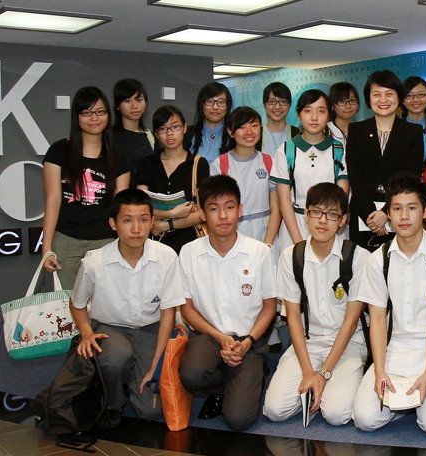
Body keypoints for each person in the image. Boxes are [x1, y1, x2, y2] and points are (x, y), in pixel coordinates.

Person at [351, 175, 426, 435]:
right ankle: (404, 405)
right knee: (364, 419)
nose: (404, 216)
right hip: (397, 349)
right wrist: (380, 371)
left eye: (412, 208)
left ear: (425, 212)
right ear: (388, 213)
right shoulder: (378, 259)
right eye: (397, 208)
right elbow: (377, 319)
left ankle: (420, 401)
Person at [68, 188, 184, 426]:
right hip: (110, 329)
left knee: (151, 412)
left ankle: (132, 376)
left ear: (152, 222)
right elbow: (77, 304)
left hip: (150, 330)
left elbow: (168, 313)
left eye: (143, 220)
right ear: (113, 224)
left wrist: (155, 365)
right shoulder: (94, 262)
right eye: (127, 221)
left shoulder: (167, 256)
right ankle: (112, 401)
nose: (136, 229)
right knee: (116, 356)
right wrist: (86, 332)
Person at [263, 183, 369, 425]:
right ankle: (316, 385)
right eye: (316, 212)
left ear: (343, 220)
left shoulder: (359, 257)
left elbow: (352, 322)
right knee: (274, 410)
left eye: (332, 214)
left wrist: (323, 373)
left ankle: (336, 383)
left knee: (336, 415)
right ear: (306, 215)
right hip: (308, 343)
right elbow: (292, 319)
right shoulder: (291, 256)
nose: (323, 220)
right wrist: (309, 370)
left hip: (348, 344)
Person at [177, 175, 277, 431]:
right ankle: (222, 386)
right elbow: (186, 308)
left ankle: (252, 377)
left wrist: (247, 342)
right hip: (209, 337)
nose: (223, 215)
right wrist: (220, 338)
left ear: (240, 210)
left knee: (238, 420)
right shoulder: (189, 252)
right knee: (191, 374)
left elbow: (269, 308)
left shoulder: (260, 252)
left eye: (229, 207)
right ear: (202, 214)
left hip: (249, 340)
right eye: (213, 208)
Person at [42, 86, 131, 289]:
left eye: (100, 112)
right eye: (87, 112)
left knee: (106, 304)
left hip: (106, 240)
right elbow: (52, 200)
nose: (94, 118)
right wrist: (47, 247)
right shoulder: (58, 151)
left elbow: (122, 206)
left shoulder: (120, 156)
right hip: (66, 240)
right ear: (77, 116)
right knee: (64, 306)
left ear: (108, 115)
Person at [346, 70, 426, 251]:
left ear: (399, 98)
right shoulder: (357, 130)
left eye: (389, 94)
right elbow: (355, 178)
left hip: (400, 213)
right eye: (377, 94)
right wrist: (372, 217)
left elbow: (411, 178)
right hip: (363, 214)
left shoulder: (412, 132)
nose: (383, 100)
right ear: (369, 99)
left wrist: (386, 213)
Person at [271, 89, 349, 252]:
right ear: (299, 115)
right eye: (308, 111)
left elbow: (343, 189)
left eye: (321, 111)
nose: (314, 117)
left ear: (328, 115)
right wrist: (299, 242)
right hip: (296, 224)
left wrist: (334, 220)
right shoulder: (286, 150)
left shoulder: (338, 148)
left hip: (330, 222)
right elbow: (284, 200)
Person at [132, 105, 209, 254]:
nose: (169, 134)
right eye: (162, 129)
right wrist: (171, 214)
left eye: (175, 127)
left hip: (189, 244)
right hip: (152, 244)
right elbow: (139, 206)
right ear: (156, 134)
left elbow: (202, 213)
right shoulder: (147, 164)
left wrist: (167, 224)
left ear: (184, 128)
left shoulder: (198, 164)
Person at [210, 106, 280, 248]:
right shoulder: (220, 164)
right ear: (230, 131)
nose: (249, 132)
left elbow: (276, 207)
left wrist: (268, 243)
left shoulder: (269, 162)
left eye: (254, 126)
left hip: (266, 233)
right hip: (232, 235)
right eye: (242, 127)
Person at [112, 78, 155, 168]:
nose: (134, 106)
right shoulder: (110, 137)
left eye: (139, 100)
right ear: (117, 106)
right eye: (127, 101)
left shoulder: (150, 135)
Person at [186, 82, 231, 162]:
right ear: (201, 104)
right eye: (210, 101)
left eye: (221, 102)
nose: (215, 107)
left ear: (228, 106)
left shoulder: (234, 135)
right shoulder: (187, 134)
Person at [262, 82, 297, 159]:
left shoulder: (298, 134)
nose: (277, 107)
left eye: (283, 102)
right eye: (272, 101)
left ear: (290, 105)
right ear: (264, 104)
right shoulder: (255, 135)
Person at [402, 76, 426, 154]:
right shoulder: (394, 129)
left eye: (421, 95)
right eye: (409, 96)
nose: (416, 100)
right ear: (402, 100)